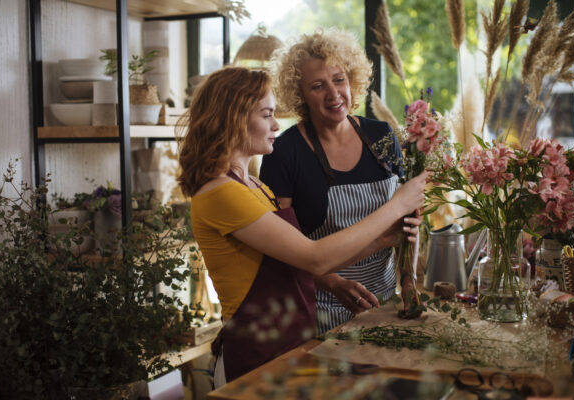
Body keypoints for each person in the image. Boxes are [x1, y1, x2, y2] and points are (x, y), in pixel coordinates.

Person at [178, 66, 427, 386]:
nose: (276, 125)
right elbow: (314, 257)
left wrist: (382, 240)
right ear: (234, 117)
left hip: (288, 343)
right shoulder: (221, 193)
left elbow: (294, 264)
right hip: (255, 354)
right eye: (266, 115)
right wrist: (398, 204)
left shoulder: (252, 186)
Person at [260, 28, 420, 334]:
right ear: (300, 94)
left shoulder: (381, 135)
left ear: (352, 79)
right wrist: (333, 284)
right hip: (319, 309)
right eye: (318, 86)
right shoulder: (284, 153)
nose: (333, 95)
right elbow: (281, 251)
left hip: (385, 304)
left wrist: (409, 280)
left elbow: (409, 216)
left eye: (339, 80)